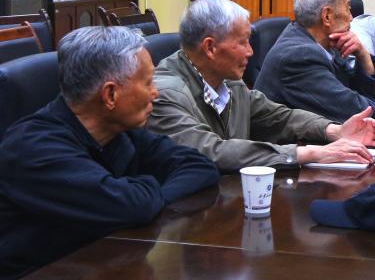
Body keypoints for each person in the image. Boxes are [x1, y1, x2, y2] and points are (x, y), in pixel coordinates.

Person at [0, 27, 219, 277]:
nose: (155, 92)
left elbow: (199, 166)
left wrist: (151, 197)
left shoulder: (118, 130)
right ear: (110, 94)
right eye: (148, 82)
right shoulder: (33, 149)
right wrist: (144, 194)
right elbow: (132, 207)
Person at [148, 0, 375, 172]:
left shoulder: (229, 82)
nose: (251, 52)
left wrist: (334, 131)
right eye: (243, 42)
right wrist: (309, 153)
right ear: (210, 47)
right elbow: (211, 151)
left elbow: (278, 117)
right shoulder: (164, 94)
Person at [256, 0, 375, 120]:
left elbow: (365, 99)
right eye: (348, 9)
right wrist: (370, 104)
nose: (351, 18)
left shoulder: (325, 42)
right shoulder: (299, 57)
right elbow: (360, 112)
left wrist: (363, 55)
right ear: (327, 16)